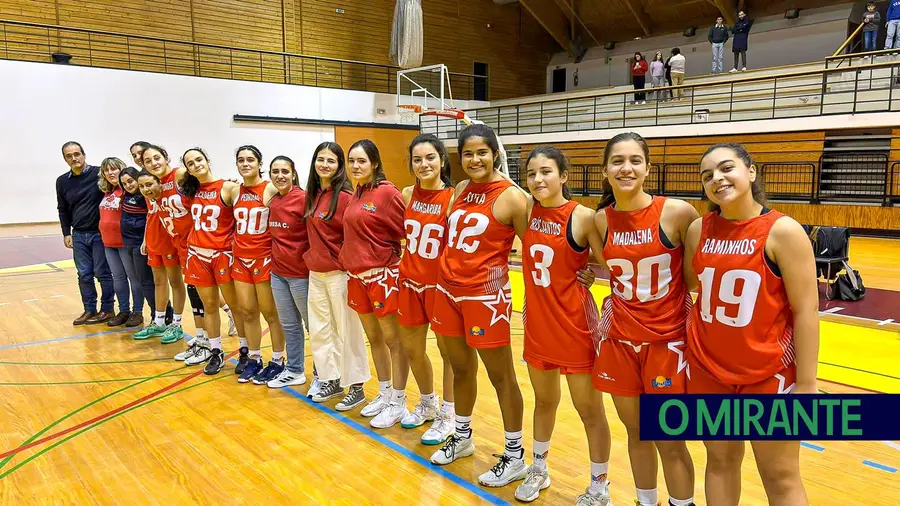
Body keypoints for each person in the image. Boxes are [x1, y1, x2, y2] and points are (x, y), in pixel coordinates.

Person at [684, 143, 818, 506]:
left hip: (768, 376)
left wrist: (807, 386)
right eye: (707, 175)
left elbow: (806, 311)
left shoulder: (783, 231)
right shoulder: (699, 230)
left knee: (779, 474)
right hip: (709, 372)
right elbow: (687, 286)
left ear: (751, 171)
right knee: (721, 461)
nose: (717, 179)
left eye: (727, 168)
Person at [592, 133, 698, 506]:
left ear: (648, 168)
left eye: (635, 160)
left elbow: (694, 279)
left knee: (669, 439)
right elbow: (601, 268)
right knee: (635, 433)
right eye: (618, 161)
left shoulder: (678, 213)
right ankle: (645, 500)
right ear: (605, 171)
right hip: (620, 340)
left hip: (667, 343)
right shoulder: (599, 221)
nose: (626, 168)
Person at [513, 146, 613, 505]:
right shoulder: (527, 208)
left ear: (564, 176)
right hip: (538, 323)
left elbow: (611, 265)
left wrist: (591, 273)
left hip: (575, 326)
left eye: (546, 172)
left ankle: (600, 486)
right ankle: (538, 469)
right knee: (543, 402)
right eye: (532, 174)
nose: (538, 179)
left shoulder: (583, 216)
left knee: (589, 411)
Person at [341, 139, 412, 425]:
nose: (356, 166)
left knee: (395, 341)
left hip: (383, 276)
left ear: (374, 164)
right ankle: (383, 393)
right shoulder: (354, 193)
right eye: (352, 161)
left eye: (362, 161)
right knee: (375, 340)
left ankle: (398, 400)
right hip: (357, 277)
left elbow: (406, 232)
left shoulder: (388, 194)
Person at [396, 134, 456, 445]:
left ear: (443, 160)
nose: (424, 164)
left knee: (449, 354)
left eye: (430, 157)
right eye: (417, 159)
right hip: (409, 283)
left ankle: (449, 413)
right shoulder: (407, 194)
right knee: (412, 350)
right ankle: (428, 401)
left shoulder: (454, 197)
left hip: (440, 287)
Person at [304, 142, 371, 408]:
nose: (325, 165)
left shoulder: (344, 197)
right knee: (321, 332)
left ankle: (356, 386)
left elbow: (353, 236)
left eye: (331, 161)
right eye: (320, 159)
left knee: (347, 331)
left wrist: (346, 264)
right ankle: (331, 380)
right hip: (316, 274)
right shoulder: (314, 193)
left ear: (339, 165)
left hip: (339, 275)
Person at [179, 147, 247, 373]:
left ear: (207, 160)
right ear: (187, 169)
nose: (196, 164)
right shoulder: (192, 191)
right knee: (209, 305)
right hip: (197, 255)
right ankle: (216, 351)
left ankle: (245, 351)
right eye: (191, 163)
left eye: (199, 159)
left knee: (235, 306)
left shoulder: (228, 187)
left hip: (222, 255)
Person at [265, 156, 312, 388]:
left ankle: (325, 375)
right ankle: (295, 370)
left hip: (301, 275)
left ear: (293, 174)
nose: (280, 176)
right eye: (275, 171)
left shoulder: (304, 199)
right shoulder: (273, 201)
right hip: (278, 274)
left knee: (312, 326)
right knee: (290, 325)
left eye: (285, 171)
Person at [56, 141, 114, 325]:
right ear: (65, 159)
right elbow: (62, 208)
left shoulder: (99, 174)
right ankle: (89, 310)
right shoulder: (62, 181)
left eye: (77, 154)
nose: (74, 158)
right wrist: (67, 233)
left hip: (99, 234)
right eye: (69, 156)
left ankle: (107, 310)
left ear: (83, 154)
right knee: (84, 274)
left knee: (102, 273)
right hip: (79, 235)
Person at [133, 167, 188, 344]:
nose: (145, 189)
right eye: (141, 186)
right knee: (158, 282)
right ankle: (159, 321)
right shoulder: (150, 198)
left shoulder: (169, 195)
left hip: (171, 243)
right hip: (154, 243)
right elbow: (150, 218)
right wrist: (145, 240)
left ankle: (177, 323)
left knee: (178, 282)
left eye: (149, 184)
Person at [97, 157, 141, 327]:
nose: (110, 173)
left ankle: (137, 312)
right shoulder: (107, 192)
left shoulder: (127, 192)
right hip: (108, 243)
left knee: (133, 278)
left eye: (113, 169)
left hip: (125, 243)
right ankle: (124, 311)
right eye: (106, 170)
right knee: (118, 278)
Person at [118, 166, 158, 329]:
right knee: (142, 281)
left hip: (141, 245)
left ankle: (160, 315)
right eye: (124, 183)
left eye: (130, 181)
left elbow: (150, 219)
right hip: (128, 243)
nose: (128, 185)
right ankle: (158, 315)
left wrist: (145, 240)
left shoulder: (145, 197)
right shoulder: (126, 196)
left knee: (147, 282)